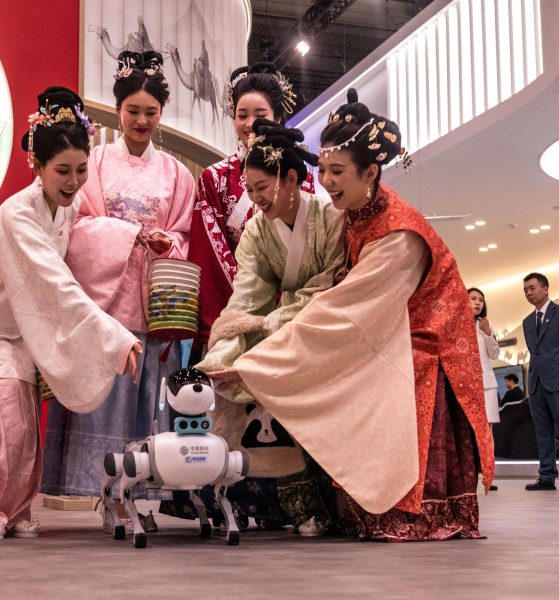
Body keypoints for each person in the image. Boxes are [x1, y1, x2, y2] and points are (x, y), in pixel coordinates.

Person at [207, 89, 494, 541]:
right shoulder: (350, 214)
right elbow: (252, 295)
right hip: (351, 321)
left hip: (418, 337)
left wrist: (256, 363)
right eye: (323, 169)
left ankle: (418, 507)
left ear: (371, 172)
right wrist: (232, 346)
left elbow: (341, 309)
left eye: (337, 171)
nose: (325, 181)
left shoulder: (396, 234)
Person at [0, 87, 141, 539]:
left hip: (11, 327)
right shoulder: (17, 216)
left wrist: (134, 235)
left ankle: (13, 508)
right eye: (62, 171)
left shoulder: (66, 206)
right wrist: (114, 336)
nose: (74, 181)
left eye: (81, 170)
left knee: (20, 430)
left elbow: (87, 235)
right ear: (36, 166)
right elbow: (56, 285)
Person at [163, 118, 344, 533]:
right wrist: (221, 360)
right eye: (248, 189)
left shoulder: (331, 219)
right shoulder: (257, 232)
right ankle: (247, 502)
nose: (254, 198)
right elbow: (246, 298)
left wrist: (270, 326)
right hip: (281, 323)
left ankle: (315, 505)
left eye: (262, 187)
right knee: (233, 385)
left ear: (292, 178)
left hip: (323, 325)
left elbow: (326, 287)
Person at [41, 51, 195, 532]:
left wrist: (166, 242)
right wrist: (131, 235)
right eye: (133, 111)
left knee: (147, 403)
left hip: (154, 303)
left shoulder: (177, 173)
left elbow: (184, 233)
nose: (141, 121)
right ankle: (110, 498)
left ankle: (141, 497)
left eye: (151, 112)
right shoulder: (96, 162)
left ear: (161, 114)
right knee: (109, 400)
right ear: (117, 110)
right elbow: (80, 225)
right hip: (108, 303)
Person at [187, 63, 314, 359]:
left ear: (278, 118)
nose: (250, 124)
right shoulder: (214, 178)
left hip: (290, 309)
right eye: (242, 115)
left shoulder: (298, 176)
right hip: (233, 305)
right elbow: (209, 255)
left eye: (261, 115)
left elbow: (309, 248)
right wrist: (248, 299)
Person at [521, 272, 559, 491]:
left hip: (556, 381)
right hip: (536, 384)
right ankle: (546, 477)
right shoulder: (527, 322)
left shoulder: (557, 314)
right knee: (543, 432)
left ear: (545, 289)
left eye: (532, 288)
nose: (528, 293)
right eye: (525, 290)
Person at [468, 287, 500, 490]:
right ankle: (468, 477)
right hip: (464, 386)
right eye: (473, 298)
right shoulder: (455, 325)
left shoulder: (486, 326)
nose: (478, 302)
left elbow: (495, 354)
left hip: (487, 385)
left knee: (487, 432)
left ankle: (488, 477)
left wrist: (488, 333)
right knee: (466, 431)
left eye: (480, 299)